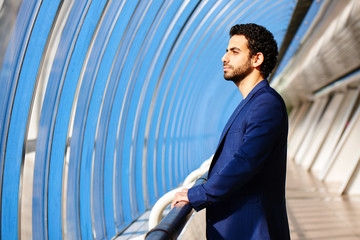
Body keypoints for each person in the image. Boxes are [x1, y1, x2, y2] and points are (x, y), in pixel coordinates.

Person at [171, 23, 290, 239]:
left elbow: (246, 161)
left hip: (253, 231)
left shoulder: (266, 104)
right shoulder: (251, 104)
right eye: (226, 51)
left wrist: (197, 194)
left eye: (234, 52)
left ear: (257, 59)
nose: (224, 58)